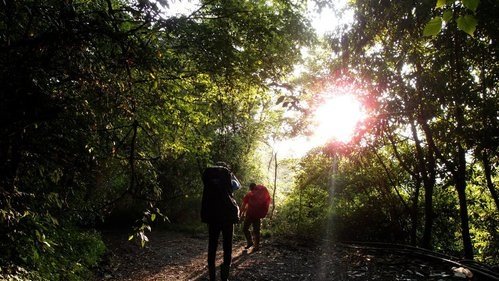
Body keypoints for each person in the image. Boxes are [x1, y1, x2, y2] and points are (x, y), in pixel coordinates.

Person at [200, 162, 240, 281]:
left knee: (212, 245)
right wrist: (231, 175)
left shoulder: (208, 178)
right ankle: (224, 278)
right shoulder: (228, 179)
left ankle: (212, 277)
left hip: (212, 216)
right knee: (227, 246)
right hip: (227, 216)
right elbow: (237, 186)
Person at [240, 183, 271, 251]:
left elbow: (243, 205)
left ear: (251, 187)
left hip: (250, 215)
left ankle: (250, 242)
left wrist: (240, 214)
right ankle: (256, 246)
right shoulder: (260, 194)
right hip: (258, 215)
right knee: (256, 231)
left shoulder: (249, 194)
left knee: (245, 229)